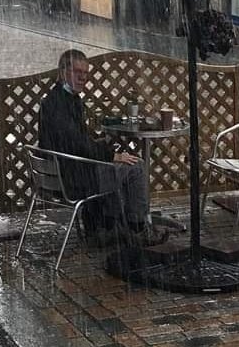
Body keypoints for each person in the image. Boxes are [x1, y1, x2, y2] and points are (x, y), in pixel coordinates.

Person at [39, 49, 164, 247]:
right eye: (77, 72)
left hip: (62, 174)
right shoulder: (60, 104)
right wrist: (111, 155)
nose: (82, 78)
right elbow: (76, 143)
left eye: (86, 73)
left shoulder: (54, 100)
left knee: (121, 164)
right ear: (63, 72)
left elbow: (73, 140)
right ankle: (138, 229)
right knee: (136, 166)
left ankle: (107, 228)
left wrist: (101, 147)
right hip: (75, 179)